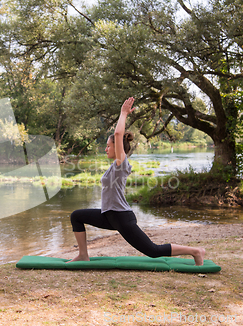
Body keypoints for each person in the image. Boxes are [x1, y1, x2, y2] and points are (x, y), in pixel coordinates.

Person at [67, 97, 206, 265]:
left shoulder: (121, 164)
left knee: (153, 251)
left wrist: (123, 114)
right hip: (108, 215)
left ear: (118, 148)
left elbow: (118, 134)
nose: (106, 149)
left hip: (121, 217)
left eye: (108, 146)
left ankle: (196, 251)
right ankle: (83, 254)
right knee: (76, 216)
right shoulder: (113, 167)